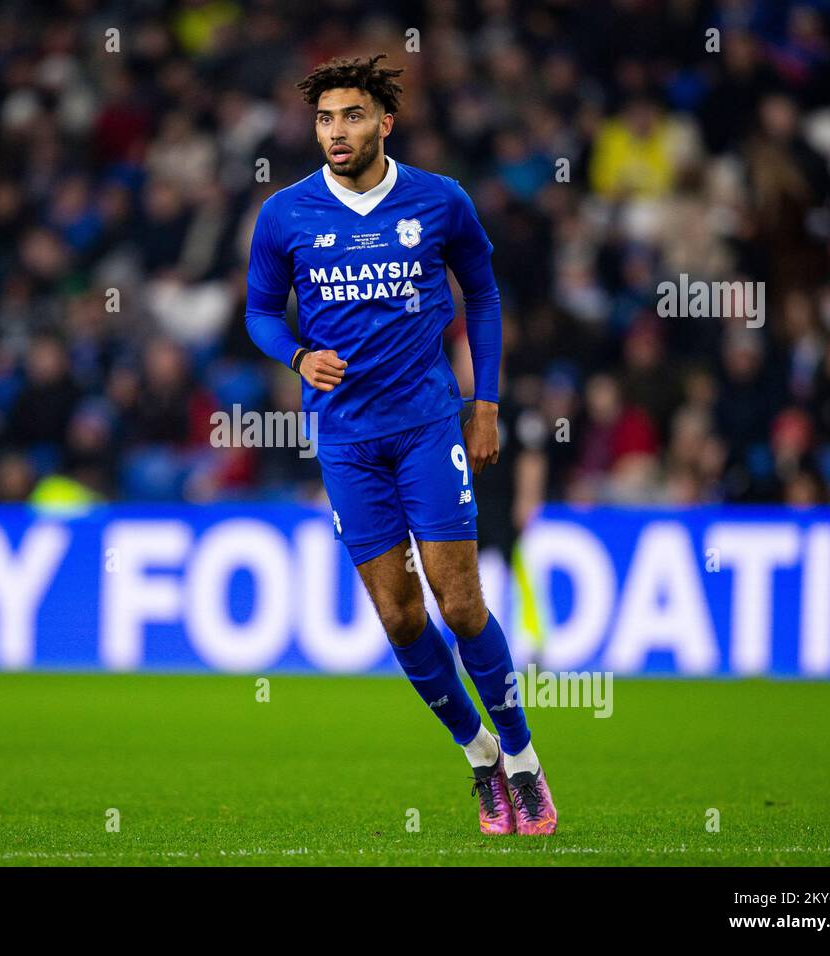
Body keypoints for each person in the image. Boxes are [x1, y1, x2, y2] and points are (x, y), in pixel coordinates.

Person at [245, 54, 556, 835]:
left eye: (351, 116)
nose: (336, 132)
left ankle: (522, 758)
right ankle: (478, 752)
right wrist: (294, 355)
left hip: (426, 425)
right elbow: (258, 312)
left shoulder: (440, 200)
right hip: (345, 441)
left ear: (385, 121)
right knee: (400, 617)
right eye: (324, 119)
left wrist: (484, 404)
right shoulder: (286, 214)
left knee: (461, 601)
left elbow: (482, 294)